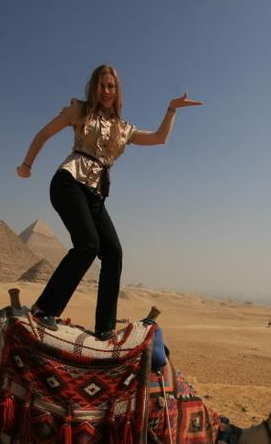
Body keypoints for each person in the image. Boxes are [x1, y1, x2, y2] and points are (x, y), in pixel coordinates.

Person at [16, 64, 201, 340]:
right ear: (93, 88)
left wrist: (171, 109)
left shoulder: (123, 129)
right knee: (88, 245)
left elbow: (159, 138)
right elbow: (44, 134)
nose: (106, 91)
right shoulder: (80, 111)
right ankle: (44, 310)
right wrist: (27, 165)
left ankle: (105, 327)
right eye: (101, 85)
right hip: (69, 182)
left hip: (95, 194)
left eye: (111, 86)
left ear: (117, 91)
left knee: (113, 252)